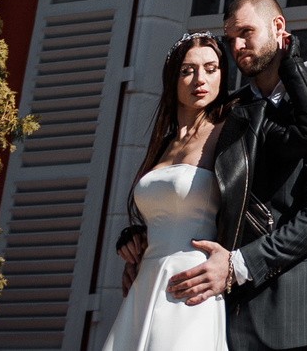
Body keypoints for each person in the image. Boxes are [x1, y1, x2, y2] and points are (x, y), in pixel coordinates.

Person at [163, 0, 307, 351]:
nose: (236, 46)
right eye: (230, 37)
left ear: (278, 28)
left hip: (282, 312)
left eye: (246, 32)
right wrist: (141, 234)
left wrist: (238, 264)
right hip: (207, 306)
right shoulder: (228, 110)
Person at [101, 33, 239, 351]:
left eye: (211, 68)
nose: (199, 79)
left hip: (194, 279)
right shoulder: (163, 143)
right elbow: (164, 209)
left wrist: (234, 263)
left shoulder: (230, 131)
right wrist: (135, 240)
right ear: (172, 78)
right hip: (146, 278)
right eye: (187, 70)